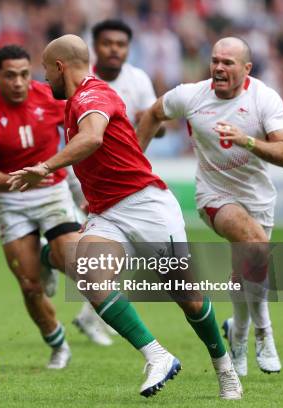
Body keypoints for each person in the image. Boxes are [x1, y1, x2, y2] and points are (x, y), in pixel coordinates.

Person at [8, 34, 243, 400]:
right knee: (86, 271)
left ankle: (224, 367)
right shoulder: (73, 103)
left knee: (187, 296)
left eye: (44, 70)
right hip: (108, 212)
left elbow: (92, 138)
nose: (44, 79)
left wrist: (45, 166)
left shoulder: (93, 95)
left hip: (145, 205)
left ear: (59, 67)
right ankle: (157, 355)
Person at [137, 37, 283, 377]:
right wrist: (134, 160)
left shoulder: (264, 99)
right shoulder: (191, 95)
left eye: (228, 62)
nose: (220, 68)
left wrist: (246, 140)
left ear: (246, 69)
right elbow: (152, 113)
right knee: (253, 245)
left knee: (247, 270)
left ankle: (237, 334)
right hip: (214, 195)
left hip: (259, 198)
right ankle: (264, 332)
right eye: (215, 61)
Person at [0, 45, 85, 369]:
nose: (19, 82)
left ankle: (49, 253)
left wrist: (78, 186)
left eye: (24, 74)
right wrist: (19, 180)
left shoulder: (50, 97)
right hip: (11, 202)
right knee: (31, 284)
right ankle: (58, 344)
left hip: (52, 192)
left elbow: (80, 137)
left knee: (76, 262)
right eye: (10, 75)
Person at [71, 19, 167, 343]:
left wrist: (144, 119)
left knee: (114, 247)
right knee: (91, 246)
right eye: (107, 43)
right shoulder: (82, 82)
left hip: (124, 180)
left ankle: (90, 314)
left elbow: (159, 124)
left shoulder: (137, 79)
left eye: (121, 44)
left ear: (128, 48)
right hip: (86, 176)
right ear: (95, 47)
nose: (114, 49)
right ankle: (50, 259)